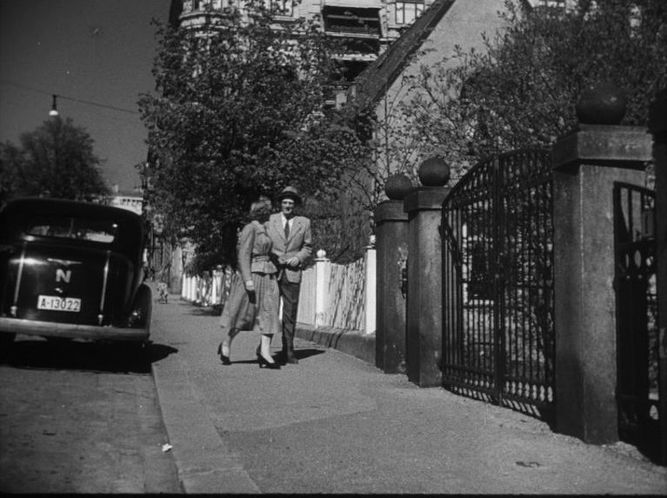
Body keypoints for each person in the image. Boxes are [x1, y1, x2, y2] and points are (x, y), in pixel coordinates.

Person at [217, 198, 281, 369]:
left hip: (268, 274)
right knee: (243, 315)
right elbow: (244, 255)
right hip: (253, 275)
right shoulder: (250, 228)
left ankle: (265, 352)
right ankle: (226, 343)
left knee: (270, 312)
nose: (267, 213)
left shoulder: (267, 229)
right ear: (257, 212)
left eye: (267, 210)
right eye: (264, 211)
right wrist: (248, 279)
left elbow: (272, 250)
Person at [266, 186, 312, 364]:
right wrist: (274, 257)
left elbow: (308, 247)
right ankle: (264, 349)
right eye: (285, 202)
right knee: (269, 310)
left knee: (290, 313)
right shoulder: (270, 221)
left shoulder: (304, 222)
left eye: (291, 203)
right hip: (272, 270)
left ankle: (288, 349)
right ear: (280, 204)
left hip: (292, 273)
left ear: (295, 205)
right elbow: (264, 243)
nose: (287, 206)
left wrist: (298, 258)